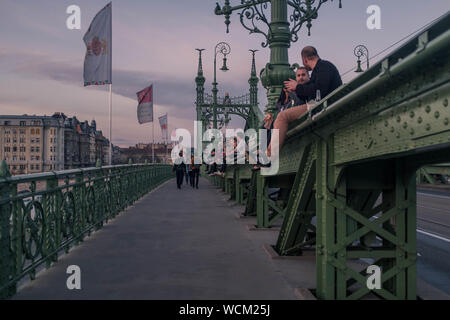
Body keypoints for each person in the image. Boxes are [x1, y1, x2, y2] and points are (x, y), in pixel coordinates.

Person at [266, 46, 342, 159]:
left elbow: (319, 91)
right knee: (281, 118)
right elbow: (311, 90)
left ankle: (269, 155)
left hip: (323, 104)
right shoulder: (320, 68)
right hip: (320, 104)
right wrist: (296, 89)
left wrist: (297, 87)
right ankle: (269, 152)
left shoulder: (323, 67)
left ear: (305, 60)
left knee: (282, 116)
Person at [252, 67, 311, 171]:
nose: (301, 77)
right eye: (298, 75)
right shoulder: (284, 101)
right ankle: (263, 153)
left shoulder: (304, 91)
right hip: (287, 124)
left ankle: (265, 154)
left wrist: (294, 92)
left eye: (303, 75)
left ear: (308, 76)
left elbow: (298, 106)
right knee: (265, 127)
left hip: (298, 124)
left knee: (274, 125)